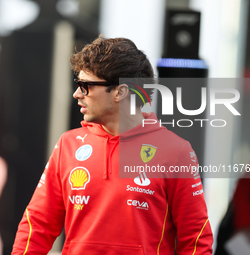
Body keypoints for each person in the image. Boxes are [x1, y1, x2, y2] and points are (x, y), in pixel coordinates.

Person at [11, 36, 213, 255]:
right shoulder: (67, 144)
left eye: (85, 86)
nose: (77, 94)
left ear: (120, 92)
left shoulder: (176, 152)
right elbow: (37, 224)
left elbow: (196, 238)